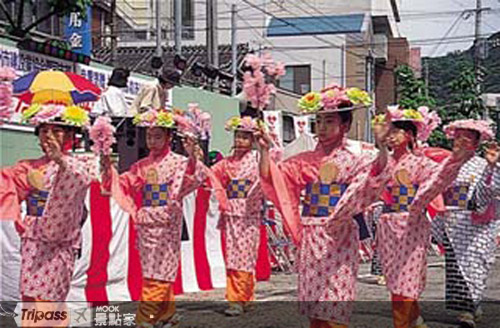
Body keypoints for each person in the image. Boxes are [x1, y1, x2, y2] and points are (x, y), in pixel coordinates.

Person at [256, 84, 391, 328]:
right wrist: (264, 150)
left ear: (345, 125)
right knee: (316, 304)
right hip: (311, 235)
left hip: (339, 235)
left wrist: (382, 147)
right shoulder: (304, 161)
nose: (322, 127)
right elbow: (273, 179)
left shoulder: (355, 160)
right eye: (319, 121)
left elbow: (373, 178)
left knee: (336, 301)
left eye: (329, 121)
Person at [101, 108, 206, 328]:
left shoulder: (178, 162)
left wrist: (194, 159)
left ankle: (145, 317)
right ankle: (165, 313)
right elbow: (124, 182)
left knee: (159, 271)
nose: (152, 140)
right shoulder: (141, 165)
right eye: (149, 136)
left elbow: (193, 180)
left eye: (158, 136)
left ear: (169, 137)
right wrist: (106, 166)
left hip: (167, 223)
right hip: (147, 223)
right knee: (154, 270)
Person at [372, 107, 476, 328]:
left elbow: (438, 180)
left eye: (395, 131)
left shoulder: (422, 163)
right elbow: (374, 175)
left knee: (406, 277)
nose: (390, 135)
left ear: (409, 135)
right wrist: (380, 145)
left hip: (411, 224)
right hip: (387, 224)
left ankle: (403, 323)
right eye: (388, 131)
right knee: (394, 278)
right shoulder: (385, 160)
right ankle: (415, 320)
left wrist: (456, 160)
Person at [0, 102, 95, 305]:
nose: (49, 136)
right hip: (33, 242)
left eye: (56, 130)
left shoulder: (82, 163)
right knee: (31, 298)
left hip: (61, 244)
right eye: (44, 130)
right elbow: (7, 189)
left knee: (50, 299)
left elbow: (80, 178)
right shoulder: (27, 167)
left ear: (71, 135)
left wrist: (60, 159)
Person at [435, 119, 500, 328]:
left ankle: (471, 306)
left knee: (475, 267)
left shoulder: (482, 165)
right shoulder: (446, 165)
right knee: (457, 269)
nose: (461, 142)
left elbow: (487, 194)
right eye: (458, 137)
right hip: (453, 223)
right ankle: (466, 310)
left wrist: (491, 167)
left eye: (467, 138)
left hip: (477, 228)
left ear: (476, 143)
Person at [211, 116, 264, 316]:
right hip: (232, 212)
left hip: (249, 212)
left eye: (244, 137)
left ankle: (243, 297)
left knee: (246, 255)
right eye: (237, 136)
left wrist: (263, 142)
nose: (240, 141)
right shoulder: (227, 162)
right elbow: (210, 174)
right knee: (234, 255)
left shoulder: (257, 159)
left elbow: (272, 164)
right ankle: (238, 298)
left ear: (252, 140)